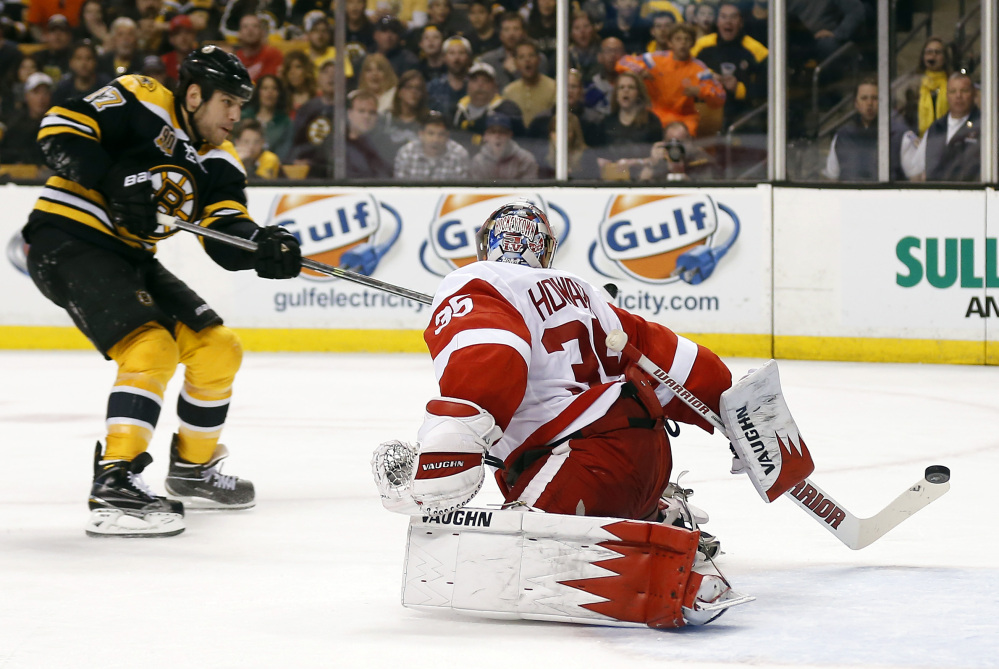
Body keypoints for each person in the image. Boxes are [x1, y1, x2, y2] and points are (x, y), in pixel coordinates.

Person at [371, 199, 744, 626]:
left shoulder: (478, 282)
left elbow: (490, 358)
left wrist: (446, 458)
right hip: (644, 448)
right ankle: (657, 515)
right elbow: (670, 359)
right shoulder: (585, 293)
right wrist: (732, 408)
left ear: (486, 244)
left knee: (516, 548)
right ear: (544, 249)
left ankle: (664, 576)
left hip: (584, 458)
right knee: (523, 472)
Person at [20, 46, 303, 538]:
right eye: (228, 103)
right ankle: (115, 480)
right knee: (151, 346)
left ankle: (193, 468)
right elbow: (57, 130)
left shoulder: (221, 159)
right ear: (194, 95)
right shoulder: (140, 96)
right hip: (68, 238)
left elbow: (225, 231)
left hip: (130, 258)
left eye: (242, 105)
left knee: (218, 348)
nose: (237, 115)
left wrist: (263, 246)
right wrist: (112, 177)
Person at [618, 23, 725, 136]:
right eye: (678, 39)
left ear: (693, 44)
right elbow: (623, 61)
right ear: (670, 42)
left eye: (687, 39)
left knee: (682, 136)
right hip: (653, 114)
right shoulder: (655, 60)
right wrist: (639, 70)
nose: (682, 43)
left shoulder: (699, 69)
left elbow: (720, 96)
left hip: (683, 119)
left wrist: (700, 91)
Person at [691, 2, 768, 131]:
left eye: (733, 17)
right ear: (717, 22)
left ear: (741, 22)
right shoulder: (701, 45)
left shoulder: (757, 51)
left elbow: (767, 91)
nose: (728, 21)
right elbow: (685, 71)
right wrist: (707, 76)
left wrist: (738, 89)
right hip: (705, 111)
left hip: (743, 115)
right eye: (723, 17)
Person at [902, 72, 980, 183]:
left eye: (964, 91)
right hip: (935, 195)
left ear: (973, 94)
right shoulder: (935, 128)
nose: (958, 96)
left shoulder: (984, 127)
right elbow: (917, 172)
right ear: (947, 95)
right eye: (953, 91)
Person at [452, 61, 524, 150]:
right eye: (475, 80)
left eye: (486, 81)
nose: (480, 85)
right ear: (467, 85)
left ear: (495, 86)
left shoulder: (508, 110)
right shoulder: (456, 110)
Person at [478, 11, 551, 91]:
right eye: (506, 30)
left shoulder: (539, 59)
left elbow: (541, 90)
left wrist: (516, 73)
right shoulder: (488, 61)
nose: (511, 34)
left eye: (516, 29)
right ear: (500, 35)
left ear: (524, 33)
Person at [894, 36, 951, 137]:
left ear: (945, 57)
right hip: (917, 135)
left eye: (937, 52)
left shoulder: (952, 82)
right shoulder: (911, 82)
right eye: (929, 52)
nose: (933, 56)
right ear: (923, 57)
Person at [393, 110, 470, 181]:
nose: (435, 139)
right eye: (431, 133)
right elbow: (400, 190)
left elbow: (462, 192)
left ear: (447, 136)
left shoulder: (459, 154)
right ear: (421, 134)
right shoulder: (406, 153)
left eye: (441, 134)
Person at [0, 72, 53, 165]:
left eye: (45, 93)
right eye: (36, 92)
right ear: (26, 96)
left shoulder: (57, 124)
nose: (41, 98)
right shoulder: (15, 125)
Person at [469, 111, 538, 181]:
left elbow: (529, 189)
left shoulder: (525, 160)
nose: (497, 136)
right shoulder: (478, 161)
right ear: (485, 136)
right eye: (493, 132)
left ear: (510, 135)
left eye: (502, 132)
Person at [501, 40, 555, 128]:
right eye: (522, 57)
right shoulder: (509, 91)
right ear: (516, 62)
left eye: (531, 56)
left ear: (539, 59)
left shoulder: (554, 88)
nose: (527, 60)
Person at [241, 73, 293, 160]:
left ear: (279, 94)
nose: (270, 92)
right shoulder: (243, 117)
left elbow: (283, 155)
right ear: (258, 92)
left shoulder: (286, 123)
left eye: (274, 88)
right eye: (265, 88)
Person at [50, 41, 110, 107]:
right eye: (79, 58)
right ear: (71, 62)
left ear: (95, 62)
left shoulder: (106, 86)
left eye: (88, 58)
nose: (84, 63)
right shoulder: (62, 90)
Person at [427, 35, 471, 120]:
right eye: (452, 53)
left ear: (468, 57)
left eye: (461, 53)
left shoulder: (476, 86)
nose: (456, 58)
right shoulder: (433, 87)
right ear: (444, 58)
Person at [236, 13, 283, 82]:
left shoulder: (273, 54)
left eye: (255, 26)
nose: (250, 30)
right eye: (245, 26)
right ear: (239, 33)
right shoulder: (234, 58)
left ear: (262, 32)